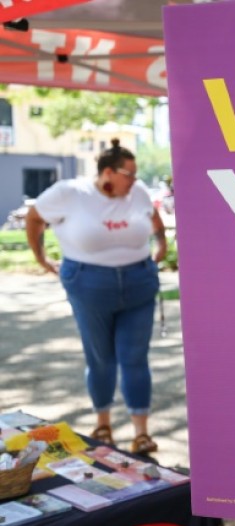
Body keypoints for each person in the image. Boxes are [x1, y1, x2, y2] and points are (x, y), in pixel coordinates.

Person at [25, 139, 167, 455]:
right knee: (101, 358)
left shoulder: (138, 192)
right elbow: (34, 219)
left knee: (134, 358)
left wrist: (161, 246)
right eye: (128, 174)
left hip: (138, 283)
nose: (134, 180)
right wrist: (41, 257)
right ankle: (103, 425)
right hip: (90, 284)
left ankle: (142, 433)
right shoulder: (69, 193)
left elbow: (155, 222)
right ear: (108, 172)